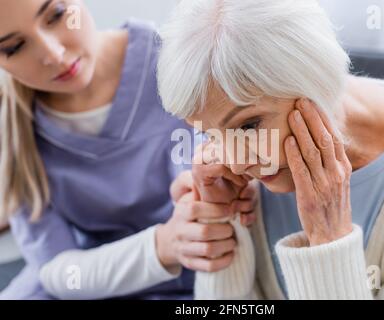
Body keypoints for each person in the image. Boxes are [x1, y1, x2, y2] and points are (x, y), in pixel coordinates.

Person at [157, 0, 384, 299]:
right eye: (210, 134)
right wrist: (224, 222)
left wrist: (328, 240)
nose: (235, 164)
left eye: (248, 127)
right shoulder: (240, 176)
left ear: (314, 80)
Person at [0, 0, 256, 299]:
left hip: (197, 277)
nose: (54, 54)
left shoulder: (183, 62)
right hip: (87, 283)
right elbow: (58, 271)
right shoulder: (14, 131)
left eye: (57, 15)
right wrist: (162, 246)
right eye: (14, 47)